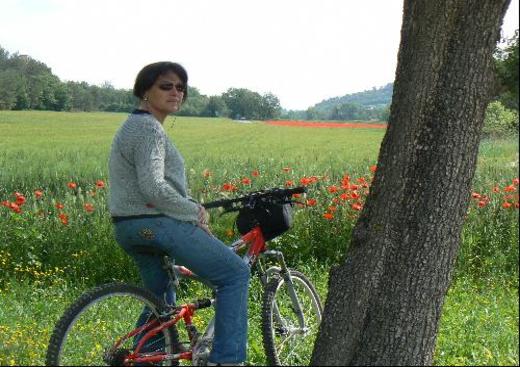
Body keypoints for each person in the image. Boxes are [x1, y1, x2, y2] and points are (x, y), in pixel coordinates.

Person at [108, 61, 250, 366]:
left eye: (180, 87)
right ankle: (226, 360)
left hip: (127, 228)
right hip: (156, 224)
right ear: (145, 91)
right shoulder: (148, 128)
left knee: (160, 302)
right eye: (166, 86)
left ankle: (147, 360)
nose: (176, 92)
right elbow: (153, 187)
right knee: (235, 274)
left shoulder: (134, 125)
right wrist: (193, 211)